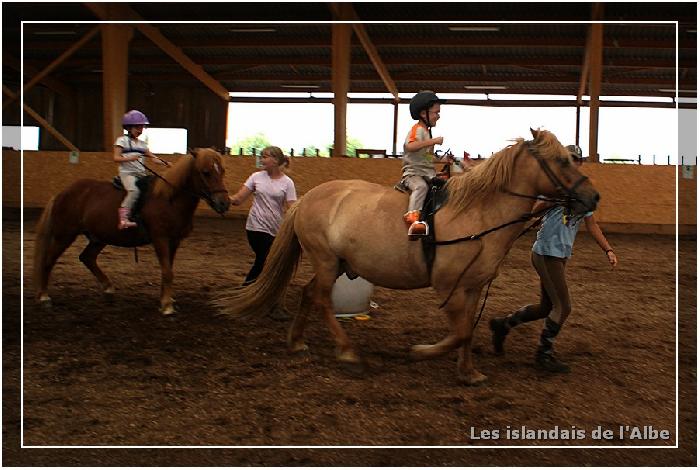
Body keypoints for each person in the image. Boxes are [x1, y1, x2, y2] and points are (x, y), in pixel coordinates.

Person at [489, 144, 619, 373]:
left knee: (544, 307)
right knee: (563, 306)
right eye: (571, 159)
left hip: (560, 255)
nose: (575, 163)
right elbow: (535, 209)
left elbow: (592, 224)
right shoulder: (553, 187)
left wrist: (607, 249)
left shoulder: (581, 192)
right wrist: (551, 201)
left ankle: (503, 325)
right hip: (546, 252)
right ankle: (543, 354)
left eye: (577, 160)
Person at [229, 146, 297, 285]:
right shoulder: (256, 177)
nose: (262, 159)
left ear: (276, 160)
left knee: (268, 261)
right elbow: (239, 199)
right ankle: (247, 289)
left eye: (265, 157)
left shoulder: (287, 183)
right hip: (255, 227)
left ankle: (260, 289)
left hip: (276, 229)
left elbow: (292, 207)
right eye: (262, 156)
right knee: (265, 259)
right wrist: (225, 199)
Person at [400, 90, 448, 240]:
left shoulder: (427, 133)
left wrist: (445, 160)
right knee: (421, 187)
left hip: (427, 173)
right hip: (414, 174)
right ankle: (413, 222)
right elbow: (410, 147)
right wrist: (432, 142)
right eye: (436, 112)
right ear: (423, 114)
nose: (438, 116)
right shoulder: (417, 130)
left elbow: (427, 157)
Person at [113, 109, 165, 230]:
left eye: (142, 127)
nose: (140, 130)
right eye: (137, 127)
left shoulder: (142, 144)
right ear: (129, 127)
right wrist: (130, 158)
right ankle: (123, 219)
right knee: (134, 191)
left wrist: (165, 163)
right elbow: (116, 158)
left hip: (141, 174)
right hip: (127, 174)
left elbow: (154, 158)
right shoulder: (121, 141)